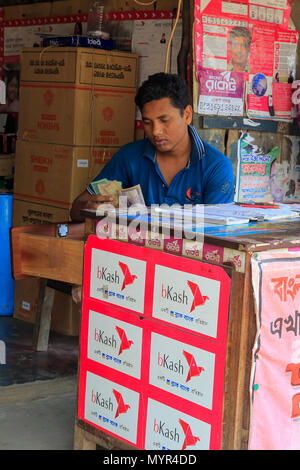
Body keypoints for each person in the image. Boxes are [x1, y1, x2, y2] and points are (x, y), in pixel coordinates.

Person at [70, 73, 234, 221]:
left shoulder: (216, 167)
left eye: (164, 120)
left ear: (187, 115)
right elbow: (76, 210)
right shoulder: (129, 157)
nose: (155, 131)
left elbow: (216, 232)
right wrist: (90, 209)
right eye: (148, 122)